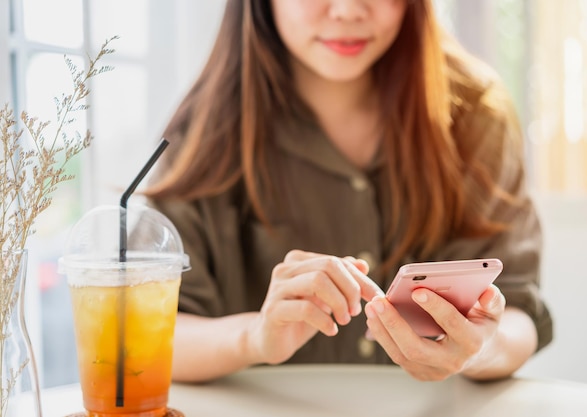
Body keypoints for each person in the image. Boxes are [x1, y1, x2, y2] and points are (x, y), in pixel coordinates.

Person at [146, 0, 552, 383]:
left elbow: (518, 312)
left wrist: (479, 349)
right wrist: (254, 336)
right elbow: (152, 336)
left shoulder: (476, 112)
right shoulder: (204, 133)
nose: (347, 11)